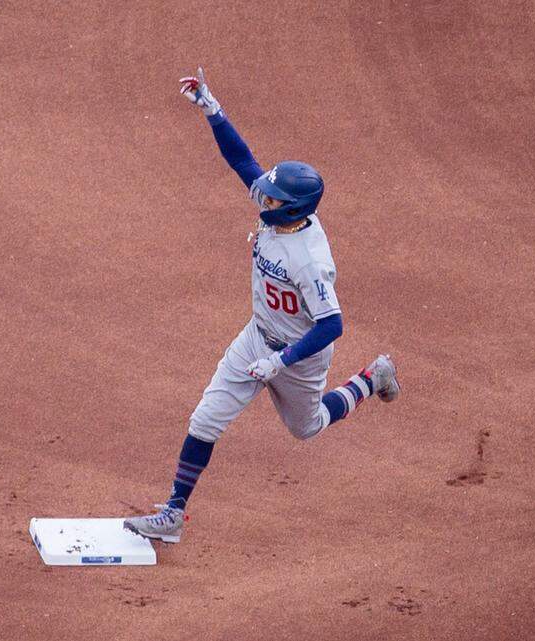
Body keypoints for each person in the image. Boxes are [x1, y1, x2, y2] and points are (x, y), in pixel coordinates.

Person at [123, 68, 402, 544]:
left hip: (300, 356)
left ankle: (371, 379)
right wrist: (212, 110)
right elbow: (242, 161)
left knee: (307, 428)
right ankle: (173, 513)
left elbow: (331, 324)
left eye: (272, 198)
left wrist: (281, 361)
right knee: (205, 420)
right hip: (256, 338)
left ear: (291, 208)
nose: (262, 198)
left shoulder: (310, 260)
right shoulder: (279, 213)